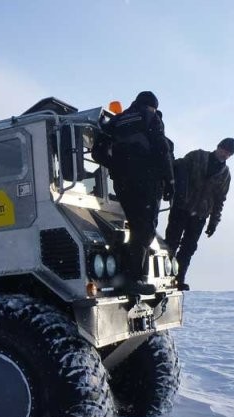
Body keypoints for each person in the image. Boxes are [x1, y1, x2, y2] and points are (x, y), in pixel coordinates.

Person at [97, 91, 174, 295]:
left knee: (136, 226)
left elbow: (98, 151)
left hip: (123, 185)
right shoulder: (151, 117)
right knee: (145, 230)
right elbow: (162, 149)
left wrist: (117, 166)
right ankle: (135, 279)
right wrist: (170, 180)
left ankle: (129, 277)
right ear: (151, 106)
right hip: (147, 182)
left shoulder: (116, 121)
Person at [164, 137, 234, 290]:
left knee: (189, 248)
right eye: (224, 150)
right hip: (181, 208)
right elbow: (176, 167)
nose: (225, 154)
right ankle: (164, 275)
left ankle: (178, 278)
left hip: (200, 216)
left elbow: (220, 200)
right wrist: (170, 189)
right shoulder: (197, 156)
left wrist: (213, 223)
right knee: (171, 243)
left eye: (229, 153)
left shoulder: (225, 174)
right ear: (218, 147)